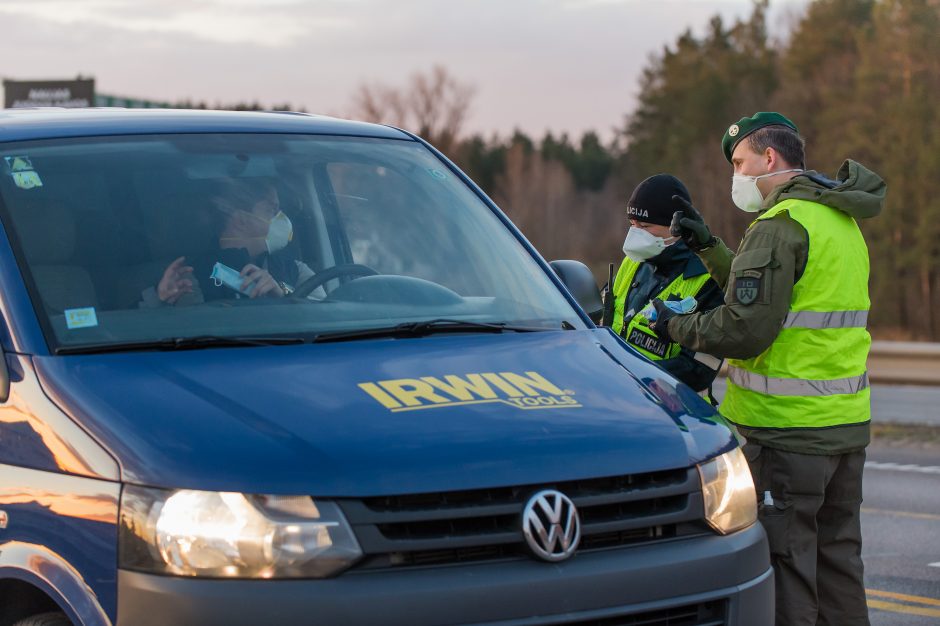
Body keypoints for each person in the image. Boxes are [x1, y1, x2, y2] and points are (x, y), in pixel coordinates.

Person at [651, 112, 885, 626]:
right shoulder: (839, 220)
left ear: (769, 158)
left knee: (787, 570)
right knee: (838, 565)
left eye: (738, 163)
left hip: (786, 433)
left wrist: (675, 327)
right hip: (843, 430)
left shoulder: (779, 226)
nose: (735, 175)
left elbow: (745, 329)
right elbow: (781, 296)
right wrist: (709, 247)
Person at [609, 174, 724, 393]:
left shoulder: (710, 279)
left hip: (674, 410)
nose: (635, 234)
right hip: (620, 398)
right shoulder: (632, 263)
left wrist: (633, 376)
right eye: (632, 224)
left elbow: (699, 370)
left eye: (645, 225)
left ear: (676, 228)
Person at [143, 178, 316, 306]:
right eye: (271, 210)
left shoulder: (296, 269)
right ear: (241, 220)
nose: (281, 219)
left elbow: (325, 317)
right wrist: (160, 300)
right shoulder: (191, 278)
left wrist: (282, 298)